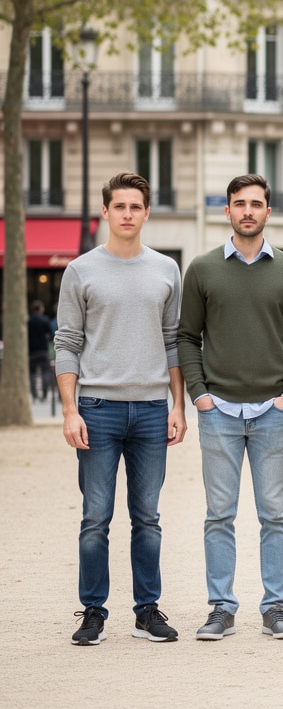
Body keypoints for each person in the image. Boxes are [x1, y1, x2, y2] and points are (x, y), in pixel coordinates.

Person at [56, 171, 187, 645]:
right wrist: (71, 411)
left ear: (147, 213)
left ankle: (147, 610)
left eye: (136, 207)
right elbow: (67, 343)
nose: (128, 214)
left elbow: (173, 342)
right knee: (96, 517)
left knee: (147, 517)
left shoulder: (167, 269)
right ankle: (93, 611)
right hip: (97, 408)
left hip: (153, 409)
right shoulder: (81, 271)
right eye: (120, 207)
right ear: (106, 212)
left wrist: (179, 406)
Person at [178, 174, 283, 641]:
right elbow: (187, 337)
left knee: (275, 513)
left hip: (273, 411)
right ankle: (221, 608)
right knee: (219, 514)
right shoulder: (202, 269)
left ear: (268, 211)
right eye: (239, 204)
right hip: (219, 413)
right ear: (227, 211)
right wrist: (200, 396)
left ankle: (275, 608)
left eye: (256, 204)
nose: (247, 211)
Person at [28, 300, 55, 400]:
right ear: (40, 309)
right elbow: (51, 335)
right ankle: (44, 395)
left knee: (33, 373)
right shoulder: (45, 320)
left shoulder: (28, 321)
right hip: (43, 349)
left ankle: (34, 395)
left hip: (31, 351)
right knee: (45, 372)